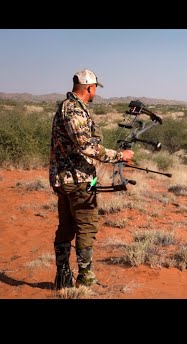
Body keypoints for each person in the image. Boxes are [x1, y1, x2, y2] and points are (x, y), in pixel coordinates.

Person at [49, 69, 134, 290]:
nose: (96, 92)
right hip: (78, 181)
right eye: (95, 88)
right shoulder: (74, 110)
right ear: (90, 87)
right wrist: (118, 156)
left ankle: (63, 277)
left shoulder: (68, 107)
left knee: (66, 227)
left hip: (65, 180)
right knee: (86, 226)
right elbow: (86, 147)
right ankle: (84, 277)